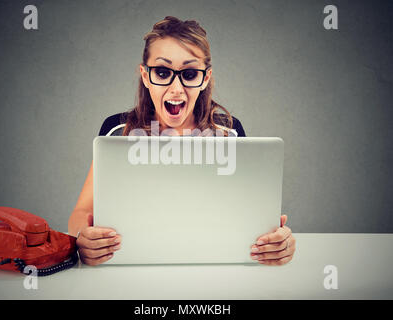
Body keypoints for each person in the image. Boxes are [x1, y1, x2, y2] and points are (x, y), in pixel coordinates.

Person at [68, 16, 296, 266]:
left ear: (205, 78)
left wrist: (278, 241)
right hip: (127, 270)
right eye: (163, 72)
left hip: (217, 271)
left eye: (189, 74)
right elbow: (81, 213)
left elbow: (253, 219)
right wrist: (82, 237)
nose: (176, 89)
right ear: (145, 75)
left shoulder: (229, 133)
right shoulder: (117, 131)